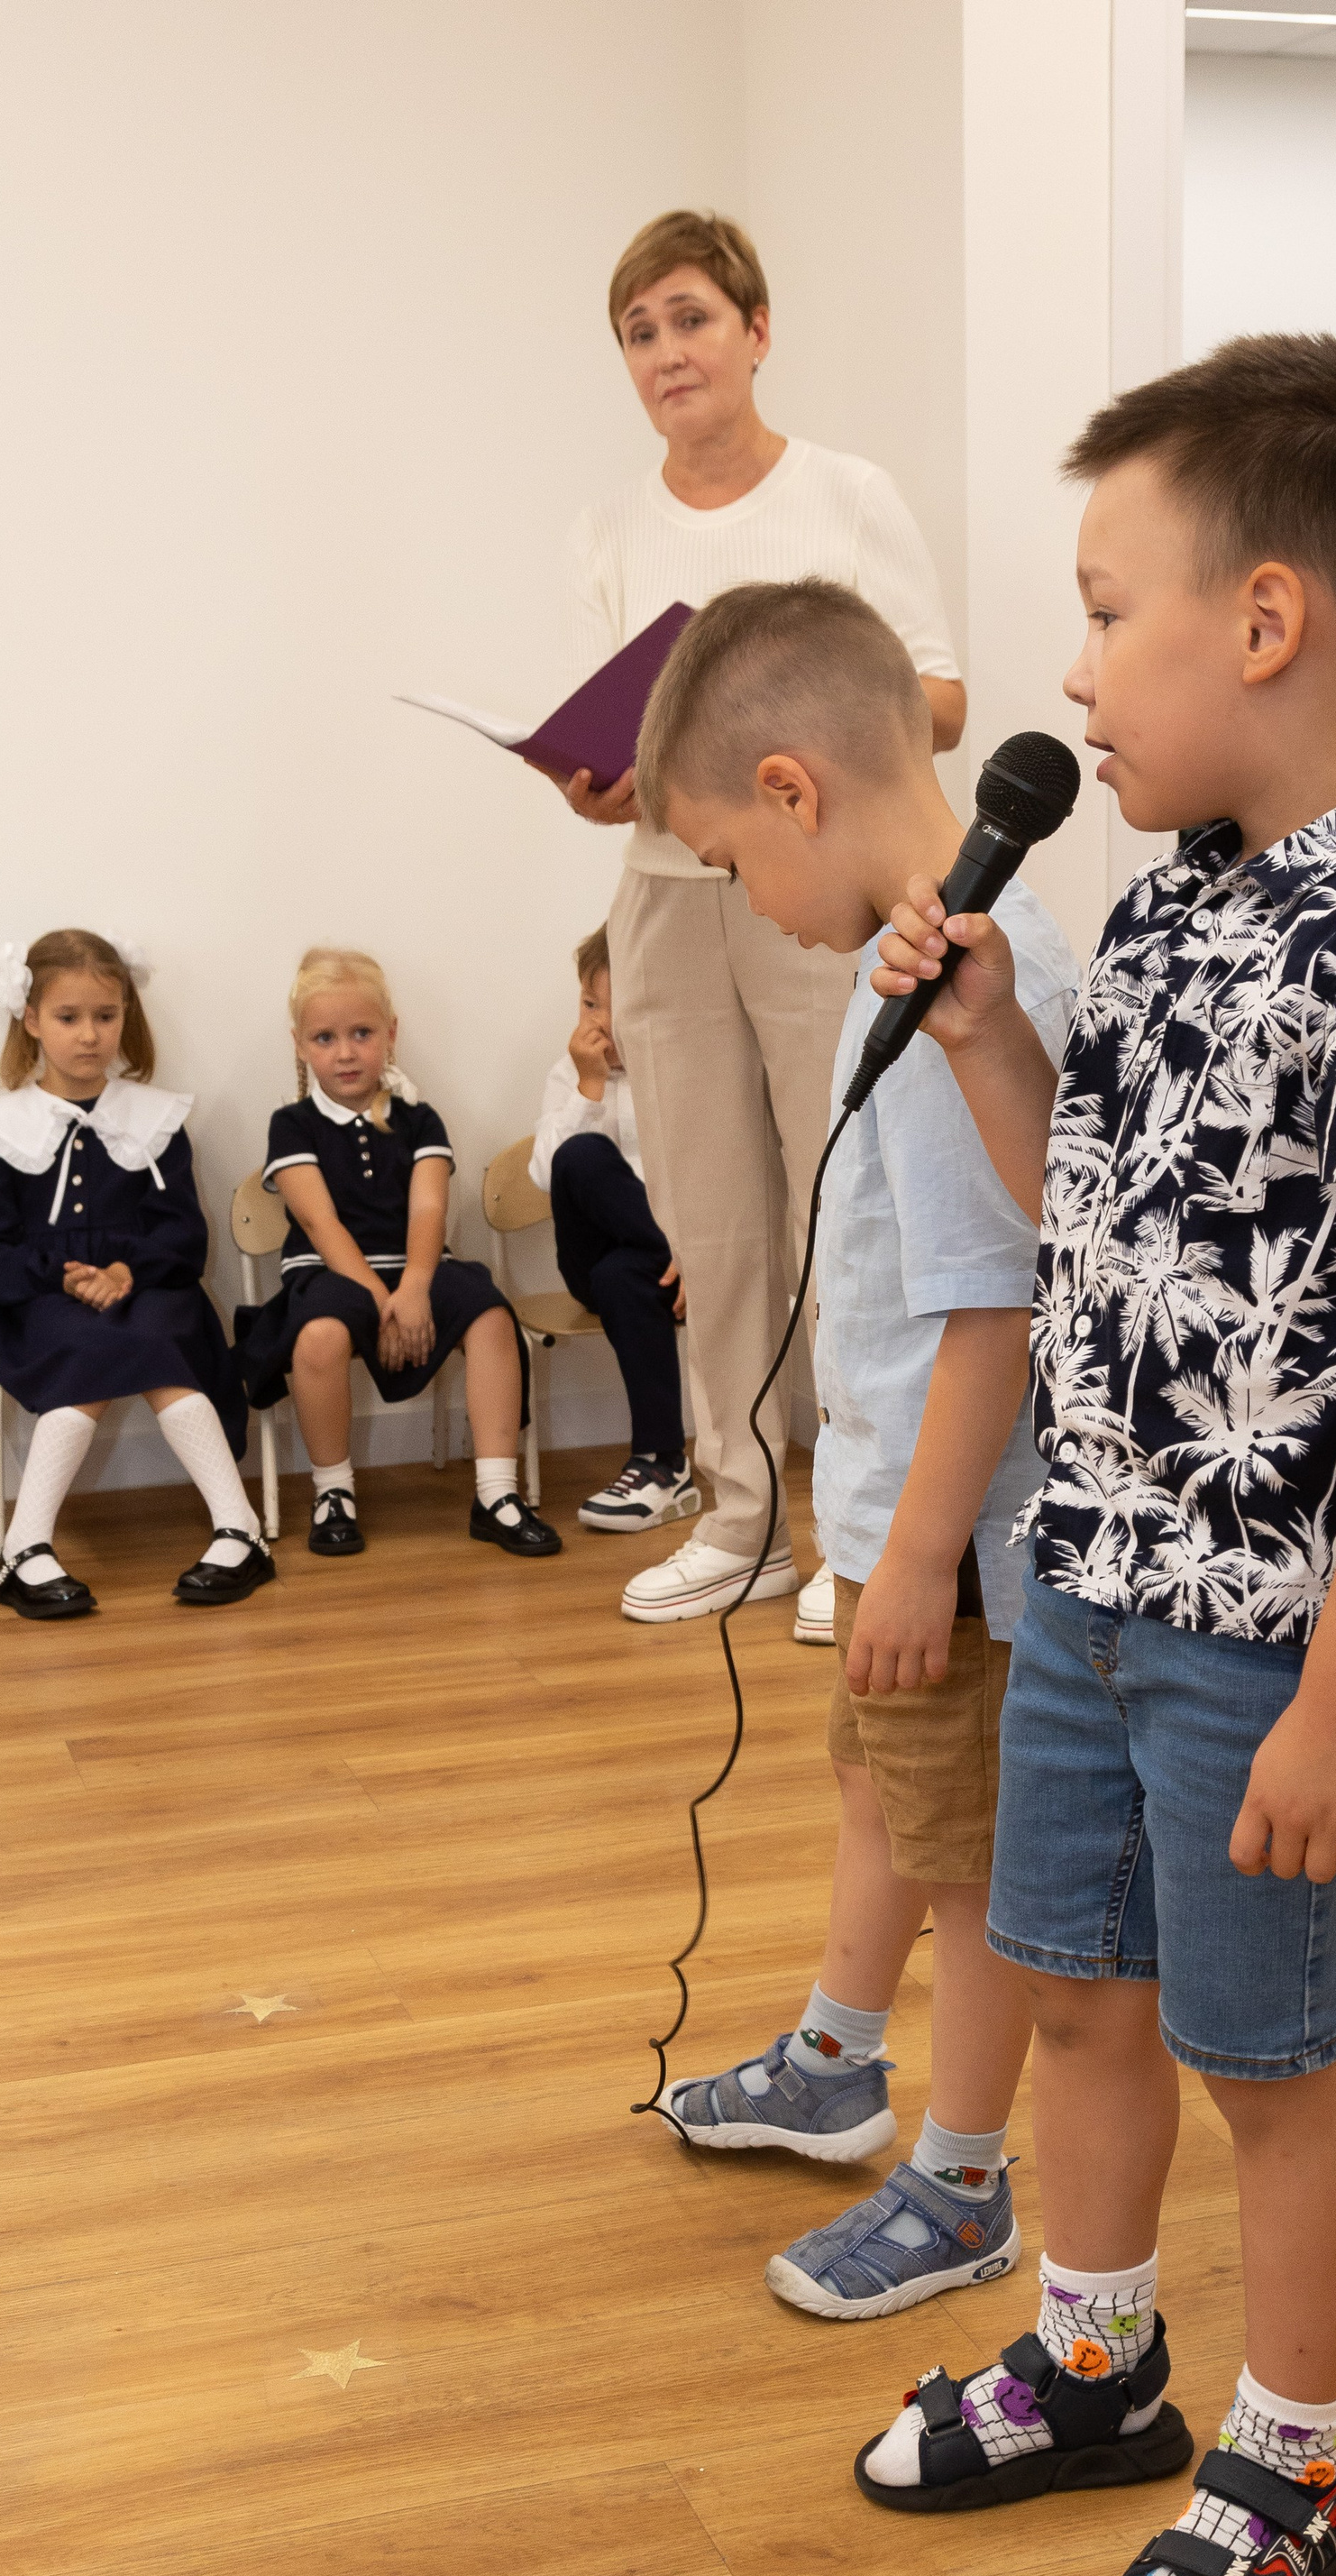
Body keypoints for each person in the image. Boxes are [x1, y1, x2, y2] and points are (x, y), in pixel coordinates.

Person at [856, 336, 1336, 2576]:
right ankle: (1095, 2358)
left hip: (1269, 1634)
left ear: (1265, 622)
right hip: (1088, 1574)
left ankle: (1294, 2457)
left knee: (1267, 2057)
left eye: (1101, 608)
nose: (1067, 669)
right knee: (1077, 2000)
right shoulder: (1172, 903)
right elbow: (1089, 1214)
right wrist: (988, 1038)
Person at [636, 580, 1077, 2323]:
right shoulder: (915, 952)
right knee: (878, 1786)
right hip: (905, 1522)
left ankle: (962, 2180)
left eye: (732, 863)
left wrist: (915, 1560)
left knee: (971, 1863)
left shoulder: (978, 983)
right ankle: (836, 2059)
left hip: (957, 1546)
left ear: (793, 790)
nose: (748, 900)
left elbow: (999, 1306)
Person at [560, 207, 965, 1636]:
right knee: (714, 1225)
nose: (667, 352)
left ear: (757, 331)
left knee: (847, 1205)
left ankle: (862, 1525)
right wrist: (600, 783)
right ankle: (742, 1524)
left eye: (690, 319)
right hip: (665, 898)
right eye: (640, 332)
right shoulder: (608, 528)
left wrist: (783, 720)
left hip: (819, 896)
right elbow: (617, 756)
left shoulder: (848, 497)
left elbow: (940, 701)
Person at [0, 930, 267, 1618]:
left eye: (106, 1015)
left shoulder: (155, 1120)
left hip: (152, 1290)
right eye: (68, 1017)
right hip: (46, 1302)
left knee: (160, 1341)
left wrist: (128, 1269)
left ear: (127, 1015)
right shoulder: (4, 1131)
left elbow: (184, 1233)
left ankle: (239, 1529)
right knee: (84, 1346)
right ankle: (25, 1547)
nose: (90, 1035)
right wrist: (63, 1277)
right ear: (31, 1019)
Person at [239, 949, 559, 1560]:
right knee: (319, 1338)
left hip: (418, 1265)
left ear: (391, 1033)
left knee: (491, 1316)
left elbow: (428, 1210)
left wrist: (413, 1287)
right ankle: (334, 1492)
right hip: (328, 1272)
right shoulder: (293, 1124)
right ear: (300, 1045)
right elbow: (320, 1221)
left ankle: (496, 1493)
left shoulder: (418, 1119)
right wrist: (380, 1300)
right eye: (325, 1038)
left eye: (361, 1033)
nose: (346, 1052)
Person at [528, 924, 697, 1533]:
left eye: (617, 1008)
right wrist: (589, 1089)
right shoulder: (568, 1076)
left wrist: (696, 1253)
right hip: (596, 1257)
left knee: (623, 1276)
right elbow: (545, 1174)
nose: (600, 1023)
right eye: (589, 1004)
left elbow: (711, 1174)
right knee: (579, 1155)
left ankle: (662, 1464)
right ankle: (670, 1252)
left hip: (652, 1273)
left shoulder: (685, 1072)